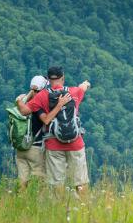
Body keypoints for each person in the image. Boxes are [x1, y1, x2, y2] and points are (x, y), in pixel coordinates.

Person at [16, 66, 91, 199]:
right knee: (80, 182)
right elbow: (83, 87)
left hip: (53, 146)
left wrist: (18, 100)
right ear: (63, 78)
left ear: (49, 79)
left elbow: (23, 111)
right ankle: (85, 207)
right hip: (75, 144)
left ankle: (60, 207)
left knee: (57, 183)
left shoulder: (41, 96)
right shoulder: (74, 92)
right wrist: (85, 84)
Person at [14, 75, 49, 188]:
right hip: (35, 148)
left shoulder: (21, 102)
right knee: (40, 179)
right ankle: (38, 203)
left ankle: (20, 201)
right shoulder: (39, 105)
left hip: (20, 148)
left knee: (22, 180)